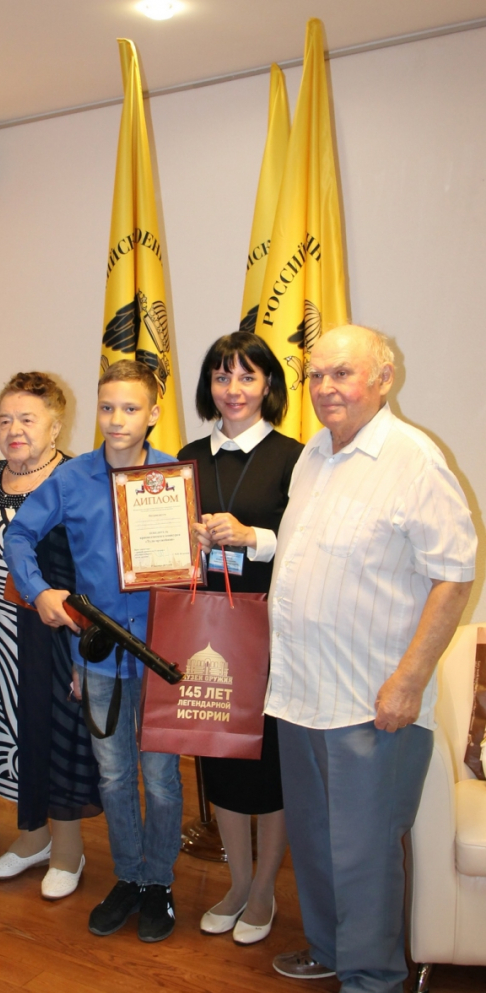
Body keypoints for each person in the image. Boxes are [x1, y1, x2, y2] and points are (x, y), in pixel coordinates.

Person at [267, 325, 476, 993]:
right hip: (302, 690)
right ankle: (330, 949)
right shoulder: (313, 454)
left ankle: (372, 982)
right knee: (316, 839)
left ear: (383, 379)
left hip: (372, 697)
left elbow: (454, 575)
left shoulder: (414, 460)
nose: (325, 387)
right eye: (316, 374)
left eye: (343, 373)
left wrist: (409, 680)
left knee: (363, 848)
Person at [5, 361, 183, 941]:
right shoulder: (73, 478)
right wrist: (40, 590)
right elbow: (19, 534)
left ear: (153, 413)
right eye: (107, 407)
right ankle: (128, 876)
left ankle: (159, 882)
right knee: (113, 775)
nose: (116, 419)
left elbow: (195, 564)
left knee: (160, 778)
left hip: (162, 653)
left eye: (130, 408)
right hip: (99, 652)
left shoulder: (174, 477)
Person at [0, 372, 101, 899]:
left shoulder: (76, 478)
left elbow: (92, 569)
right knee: (7, 733)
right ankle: (33, 836)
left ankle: (67, 849)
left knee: (54, 734)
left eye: (27, 419)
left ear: (55, 426)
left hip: (53, 636)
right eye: (5, 420)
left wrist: (86, 654)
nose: (14, 430)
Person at [181, 332, 302, 944]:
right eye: (222, 376)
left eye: (247, 376)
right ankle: (237, 881)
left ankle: (263, 893)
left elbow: (306, 545)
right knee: (219, 757)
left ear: (268, 386)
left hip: (271, 632)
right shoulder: (187, 456)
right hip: (208, 628)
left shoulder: (295, 457)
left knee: (269, 761)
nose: (233, 389)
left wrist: (252, 536)